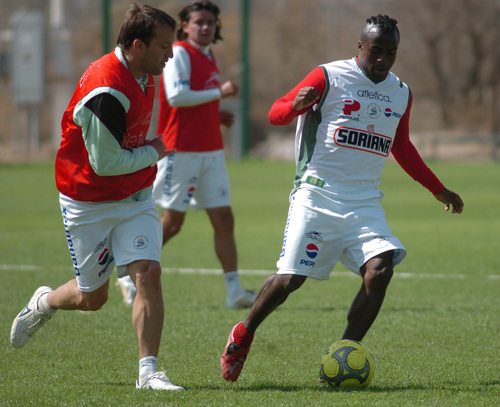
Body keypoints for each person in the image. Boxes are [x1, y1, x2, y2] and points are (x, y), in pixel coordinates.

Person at [220, 14, 464, 382]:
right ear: (360, 46)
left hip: (364, 201)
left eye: (391, 52)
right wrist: (295, 104)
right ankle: (243, 333)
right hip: (316, 193)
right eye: (376, 50)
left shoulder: (400, 92)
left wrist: (437, 188)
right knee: (290, 280)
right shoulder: (328, 76)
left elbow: (401, 146)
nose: (382, 59)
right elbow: (275, 114)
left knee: (380, 270)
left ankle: (343, 353)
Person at [10, 4, 184, 391]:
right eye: (164, 46)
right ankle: (44, 302)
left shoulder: (146, 71)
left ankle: (148, 373)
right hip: (89, 201)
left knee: (149, 274)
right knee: (92, 298)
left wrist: (150, 156)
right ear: (138, 46)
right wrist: (155, 151)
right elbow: (105, 164)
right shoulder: (106, 90)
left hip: (135, 196)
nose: (171, 54)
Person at [150, 0, 255, 309]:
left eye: (210, 22)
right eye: (199, 22)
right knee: (172, 224)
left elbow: (195, 100)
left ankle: (234, 292)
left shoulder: (208, 55)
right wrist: (219, 93)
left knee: (224, 218)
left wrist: (214, 113)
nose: (206, 27)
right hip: (181, 150)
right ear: (185, 26)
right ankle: (129, 275)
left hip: (211, 150)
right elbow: (177, 96)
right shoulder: (180, 53)